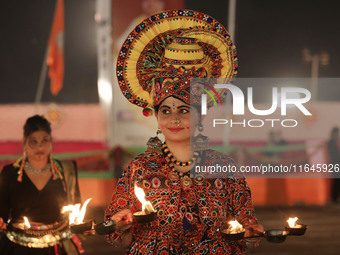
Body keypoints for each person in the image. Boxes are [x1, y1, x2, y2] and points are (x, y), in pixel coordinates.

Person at [105, 10, 264, 254]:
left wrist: (250, 231)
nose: (174, 119)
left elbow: (245, 231)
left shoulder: (225, 168)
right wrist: (121, 226)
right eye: (166, 111)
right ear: (156, 116)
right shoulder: (139, 169)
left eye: (184, 110)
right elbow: (116, 238)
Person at [0, 115, 82, 254]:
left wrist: (83, 227)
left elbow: (75, 208)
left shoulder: (65, 171)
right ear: (24, 142)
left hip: (56, 246)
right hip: (18, 247)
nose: (40, 146)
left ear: (51, 142)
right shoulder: (10, 173)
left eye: (44, 140)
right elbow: (1, 211)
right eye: (34, 141)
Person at [327, 127, 340, 203]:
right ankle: (334, 198)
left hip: (337, 163)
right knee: (336, 181)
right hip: (335, 164)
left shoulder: (337, 142)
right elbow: (334, 155)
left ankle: (336, 198)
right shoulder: (330, 143)